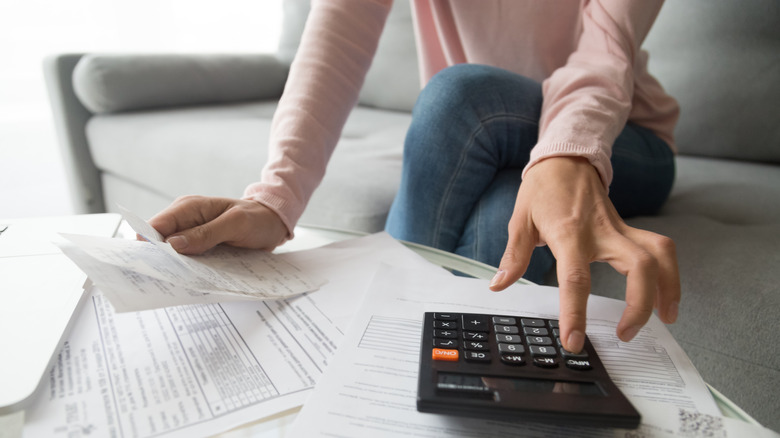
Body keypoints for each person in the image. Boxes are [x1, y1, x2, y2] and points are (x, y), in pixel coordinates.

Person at [148, 0, 681, 354]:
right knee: (503, 212)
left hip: (621, 136)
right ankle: (420, 374)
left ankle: (372, 350)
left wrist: (565, 158)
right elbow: (335, 40)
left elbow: (604, 52)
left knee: (458, 94)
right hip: (483, 142)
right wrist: (274, 200)